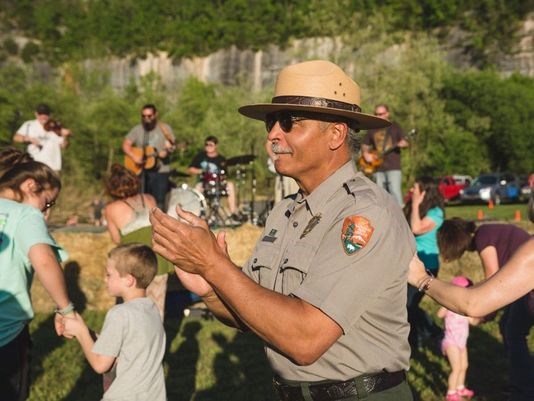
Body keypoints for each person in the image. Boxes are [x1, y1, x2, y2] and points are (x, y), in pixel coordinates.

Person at [151, 60, 416, 400]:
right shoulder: (285, 211)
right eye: (271, 123)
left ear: (335, 134)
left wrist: (214, 265)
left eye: (290, 122)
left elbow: (306, 340)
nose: (274, 135)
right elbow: (253, 313)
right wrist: (208, 285)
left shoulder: (364, 214)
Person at [0, 150, 74, 401]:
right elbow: (44, 260)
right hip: (6, 333)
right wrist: (66, 309)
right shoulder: (25, 215)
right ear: (30, 185)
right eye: (48, 202)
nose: (47, 212)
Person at [436, 218, 532, 401]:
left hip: (528, 283)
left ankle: (524, 388)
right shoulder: (485, 232)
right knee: (508, 327)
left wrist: (485, 312)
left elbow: (492, 278)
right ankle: (519, 379)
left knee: (514, 332)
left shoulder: (483, 236)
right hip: (525, 283)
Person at [63, 243, 166, 401]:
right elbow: (127, 345)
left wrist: (81, 332)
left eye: (109, 274)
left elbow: (100, 365)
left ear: (128, 280)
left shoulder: (120, 313)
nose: (105, 279)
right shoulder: (151, 309)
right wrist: (88, 332)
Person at [103, 163, 172, 319]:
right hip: (157, 260)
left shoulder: (111, 209)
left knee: (131, 311)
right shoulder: (149, 199)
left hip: (133, 264)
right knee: (156, 309)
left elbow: (116, 239)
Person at [403, 176, 445, 348]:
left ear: (425, 193)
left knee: (408, 305)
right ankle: (427, 334)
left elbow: (416, 229)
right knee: (405, 305)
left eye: (416, 189)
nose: (412, 191)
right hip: (411, 265)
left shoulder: (436, 213)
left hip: (427, 266)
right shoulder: (417, 210)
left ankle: (425, 336)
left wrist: (414, 204)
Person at [122, 104, 176, 209]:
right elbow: (125, 144)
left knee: (159, 201)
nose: (147, 119)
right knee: (141, 200)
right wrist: (134, 156)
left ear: (156, 115)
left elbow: (171, 146)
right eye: (144, 116)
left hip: (161, 171)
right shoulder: (137, 129)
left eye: (149, 116)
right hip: (141, 171)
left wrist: (167, 151)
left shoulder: (165, 129)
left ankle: (159, 223)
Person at [437, 276, 479, 401]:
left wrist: (482, 317)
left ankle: (460, 387)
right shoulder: (450, 305)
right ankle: (451, 393)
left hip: (462, 343)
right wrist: (447, 304)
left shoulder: (465, 309)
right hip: (451, 342)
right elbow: (439, 314)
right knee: (456, 368)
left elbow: (473, 321)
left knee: (464, 366)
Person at [360, 104, 409, 205]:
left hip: (393, 166)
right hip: (377, 167)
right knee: (379, 194)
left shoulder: (395, 127)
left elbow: (406, 142)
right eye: (376, 114)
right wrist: (365, 154)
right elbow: (364, 144)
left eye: (381, 114)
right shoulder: (372, 128)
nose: (378, 116)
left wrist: (403, 144)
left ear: (387, 113)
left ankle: (402, 218)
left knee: (395, 192)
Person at [187, 135, 239, 220]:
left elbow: (225, 175)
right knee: (197, 188)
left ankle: (233, 213)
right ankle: (197, 215)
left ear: (216, 145)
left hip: (218, 183)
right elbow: (190, 169)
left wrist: (222, 178)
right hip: (203, 183)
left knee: (230, 185)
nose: (208, 147)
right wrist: (200, 171)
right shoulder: (200, 156)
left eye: (210, 145)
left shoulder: (221, 159)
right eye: (206, 144)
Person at [12, 103, 72, 172]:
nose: (43, 116)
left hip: (52, 168)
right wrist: (28, 139)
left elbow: (64, 146)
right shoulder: (29, 124)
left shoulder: (56, 127)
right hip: (33, 165)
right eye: (41, 114)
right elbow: (16, 137)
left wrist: (65, 136)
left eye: (46, 114)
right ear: (36, 114)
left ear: (49, 115)